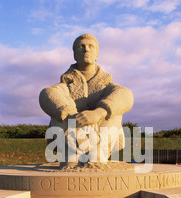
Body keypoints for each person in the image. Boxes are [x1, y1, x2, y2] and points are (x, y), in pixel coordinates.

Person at [39, 33, 134, 165]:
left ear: (97, 54)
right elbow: (48, 93)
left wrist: (99, 113)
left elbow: (125, 94)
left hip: (101, 133)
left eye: (91, 46)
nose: (86, 49)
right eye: (81, 46)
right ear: (74, 54)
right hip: (71, 134)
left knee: (113, 110)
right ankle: (71, 152)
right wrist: (74, 117)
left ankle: (99, 151)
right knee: (58, 110)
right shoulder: (66, 85)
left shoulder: (106, 85)